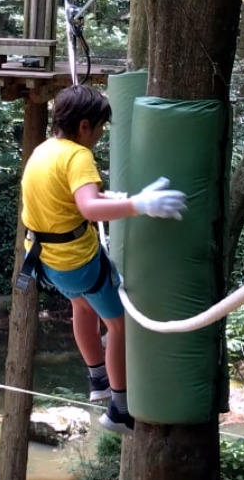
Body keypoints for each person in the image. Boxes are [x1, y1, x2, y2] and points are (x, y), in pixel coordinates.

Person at [19, 84, 186, 435]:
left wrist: (117, 196)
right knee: (119, 326)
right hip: (78, 263)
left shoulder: (44, 151)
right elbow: (89, 207)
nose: (98, 136)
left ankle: (97, 378)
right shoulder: (79, 156)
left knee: (82, 308)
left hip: (45, 262)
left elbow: (67, 199)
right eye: (99, 129)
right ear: (84, 126)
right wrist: (140, 205)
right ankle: (119, 410)